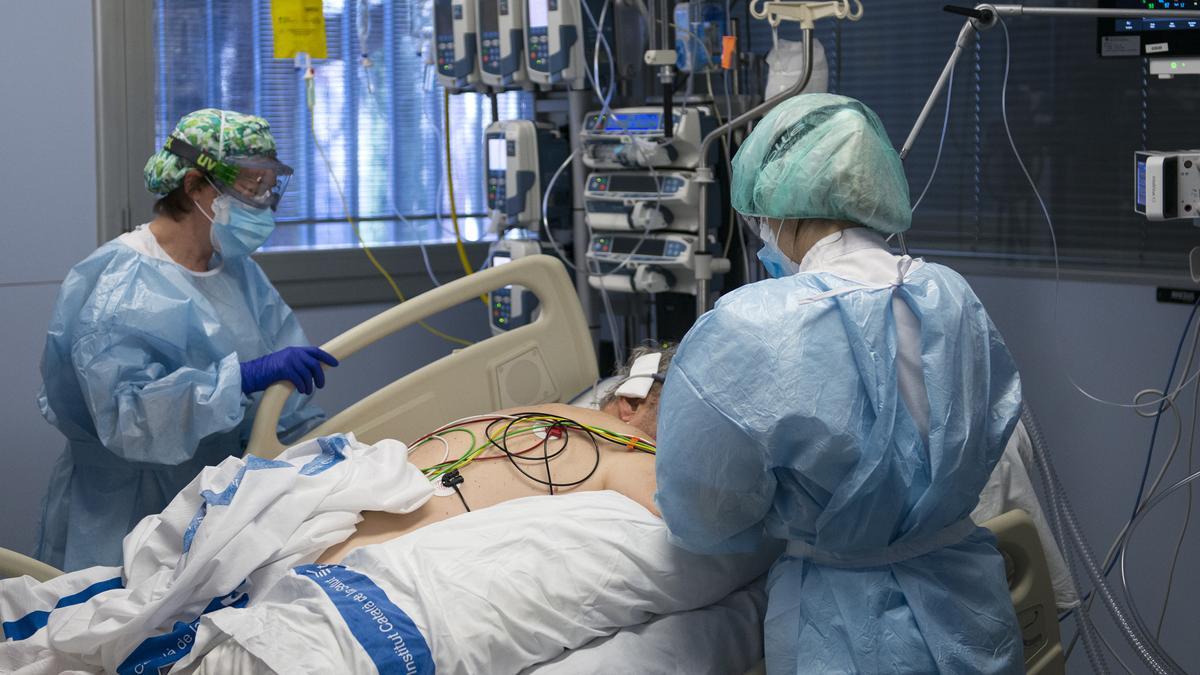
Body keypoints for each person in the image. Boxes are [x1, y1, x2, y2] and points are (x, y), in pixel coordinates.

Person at [653, 94, 1025, 674]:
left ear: (780, 206)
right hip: (971, 611)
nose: (761, 234)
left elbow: (706, 513)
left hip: (845, 629)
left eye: (759, 220)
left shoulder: (750, 326)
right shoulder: (951, 296)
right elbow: (992, 429)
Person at [37, 108, 338, 571]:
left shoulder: (238, 273)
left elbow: (285, 408)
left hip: (222, 503)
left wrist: (319, 455)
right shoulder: (123, 284)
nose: (262, 201)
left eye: (267, 185)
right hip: (129, 512)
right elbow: (127, 418)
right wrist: (239, 380)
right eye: (249, 185)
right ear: (196, 185)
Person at [318, 344, 673, 563]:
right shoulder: (626, 446)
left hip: (322, 525)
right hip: (349, 565)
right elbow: (691, 524)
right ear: (632, 403)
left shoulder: (541, 412)